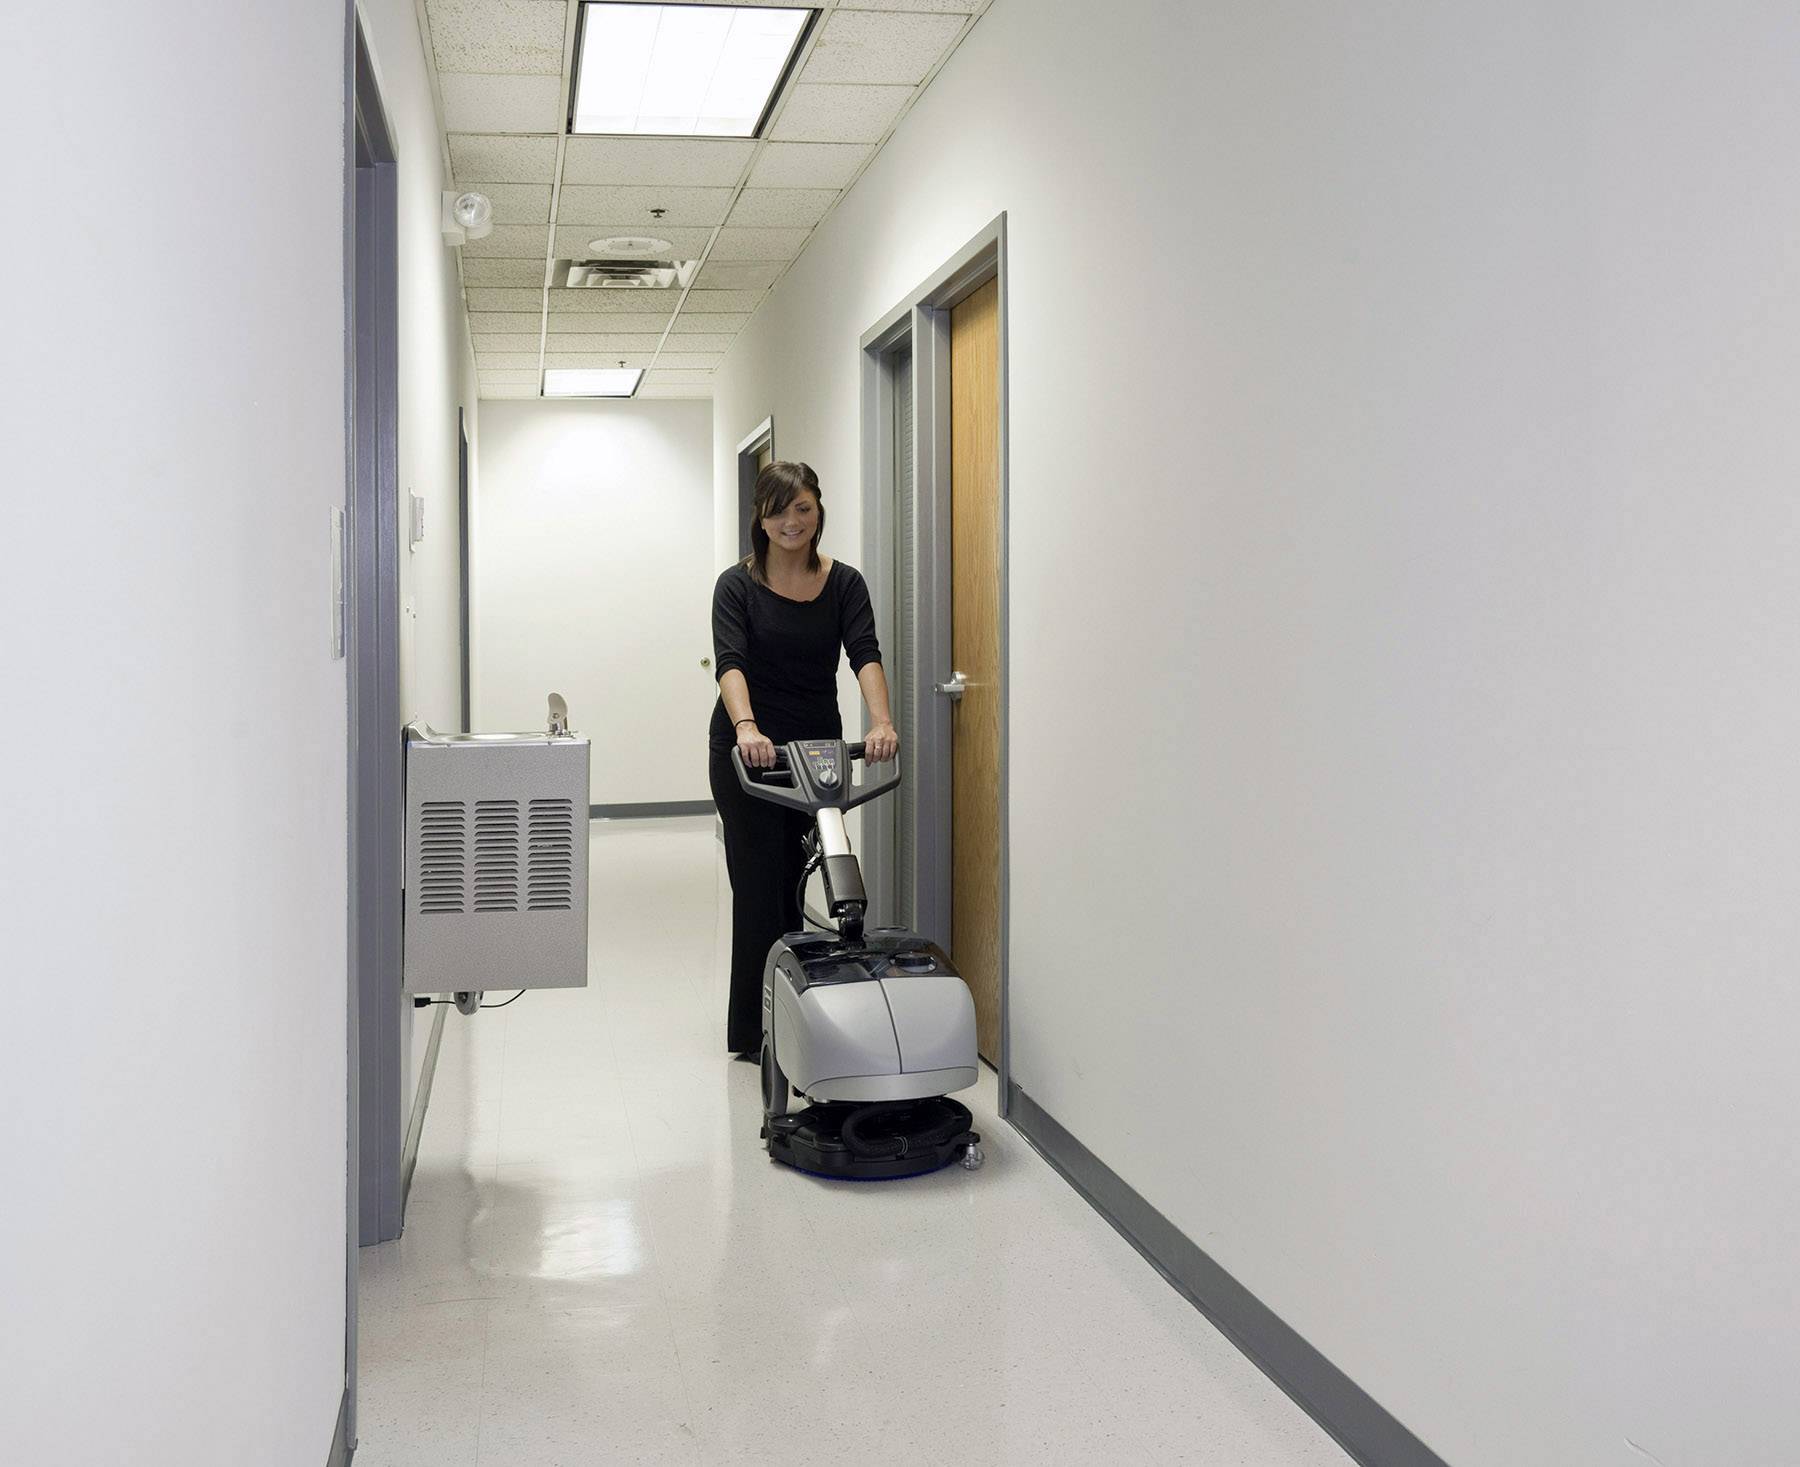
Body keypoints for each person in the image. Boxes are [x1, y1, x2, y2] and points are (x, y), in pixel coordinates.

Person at [708, 461, 898, 1059]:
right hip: (750, 755)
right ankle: (754, 1033)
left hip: (818, 756)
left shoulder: (844, 583)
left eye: (803, 508)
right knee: (761, 887)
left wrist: (882, 721)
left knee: (805, 884)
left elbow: (864, 653)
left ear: (819, 511)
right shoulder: (735, 586)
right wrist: (746, 726)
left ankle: (805, 1016)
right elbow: (730, 662)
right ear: (759, 519)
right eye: (777, 509)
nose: (791, 521)